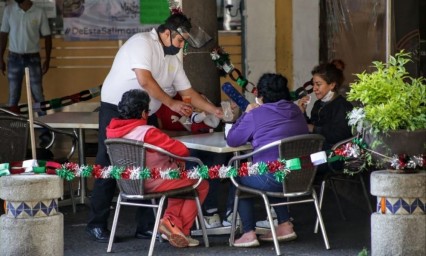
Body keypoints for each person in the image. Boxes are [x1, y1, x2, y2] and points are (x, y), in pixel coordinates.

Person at [86, 12, 223, 243]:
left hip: (144, 113)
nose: (181, 46)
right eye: (180, 41)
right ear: (167, 33)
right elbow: (145, 80)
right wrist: (171, 103)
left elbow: (188, 93)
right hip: (116, 109)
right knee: (109, 164)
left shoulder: (172, 59)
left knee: (150, 167)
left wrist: (215, 111)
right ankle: (96, 224)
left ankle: (146, 225)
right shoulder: (142, 43)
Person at [106, 89, 209, 247]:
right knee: (200, 184)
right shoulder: (147, 132)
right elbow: (181, 150)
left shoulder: (112, 132)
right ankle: (180, 229)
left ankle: (171, 223)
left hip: (127, 184)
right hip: (154, 181)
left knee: (180, 182)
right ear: (143, 113)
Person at [226, 73, 309, 247]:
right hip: (302, 177)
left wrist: (245, 113)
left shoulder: (256, 114)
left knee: (237, 177)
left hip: (271, 178)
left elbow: (233, 139)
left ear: (261, 96)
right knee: (277, 167)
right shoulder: (296, 110)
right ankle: (285, 225)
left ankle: (248, 233)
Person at [298, 62, 353, 176]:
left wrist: (314, 129)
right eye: (314, 84)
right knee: (292, 158)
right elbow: (311, 126)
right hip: (317, 151)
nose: (314, 89)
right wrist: (302, 114)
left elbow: (341, 135)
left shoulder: (342, 106)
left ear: (332, 85)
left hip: (334, 157)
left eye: (318, 84)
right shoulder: (318, 104)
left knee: (297, 164)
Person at [0, 0, 52, 113]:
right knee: (13, 96)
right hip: (13, 58)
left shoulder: (39, 12)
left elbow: (47, 36)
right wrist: (0, 58)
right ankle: (12, 128)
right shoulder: (9, 10)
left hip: (33, 59)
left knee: (38, 95)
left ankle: (44, 126)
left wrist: (47, 60)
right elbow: (3, 34)